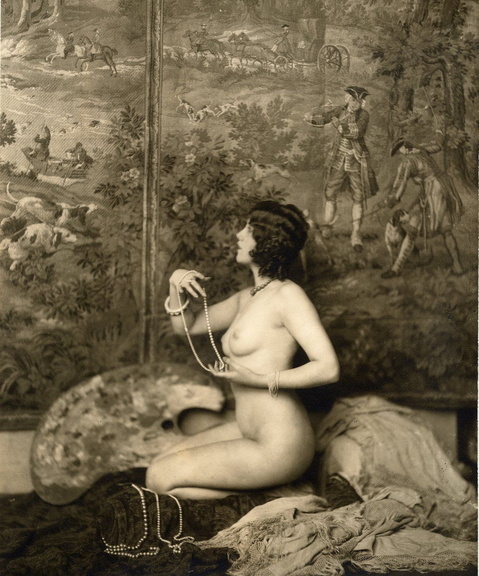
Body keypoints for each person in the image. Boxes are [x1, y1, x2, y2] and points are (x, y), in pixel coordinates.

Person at [146, 201, 340, 500]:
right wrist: (175, 284)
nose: (238, 235)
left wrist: (258, 379)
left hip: (280, 442)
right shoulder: (246, 298)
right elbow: (187, 326)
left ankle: (274, 495)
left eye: (248, 230)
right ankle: (274, 489)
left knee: (159, 479)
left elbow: (328, 368)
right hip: (246, 427)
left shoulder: (288, 295)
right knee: (156, 465)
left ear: (267, 241)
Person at [381, 137, 464, 278]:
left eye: (400, 151)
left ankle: (396, 268)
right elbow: (438, 145)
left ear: (404, 149)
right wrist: (439, 133)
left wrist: (390, 200)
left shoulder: (408, 162)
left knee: (413, 228)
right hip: (445, 187)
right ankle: (458, 266)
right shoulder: (421, 149)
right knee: (446, 230)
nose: (400, 155)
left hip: (434, 192)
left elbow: (400, 185)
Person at [312, 86, 379, 251]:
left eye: (359, 101)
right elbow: (325, 118)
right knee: (330, 192)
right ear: (347, 99)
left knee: (358, 196)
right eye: (353, 100)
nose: (355, 104)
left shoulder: (364, 115)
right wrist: (312, 118)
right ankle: (327, 226)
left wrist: (340, 126)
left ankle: (356, 234)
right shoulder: (340, 110)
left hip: (356, 159)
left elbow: (357, 132)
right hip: (339, 158)